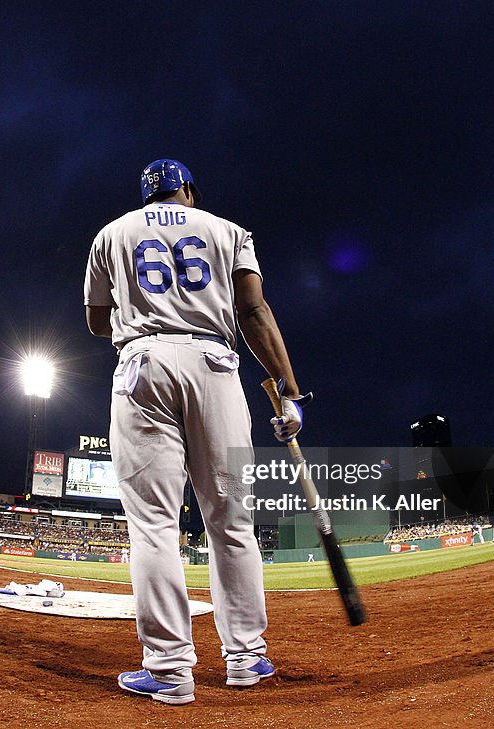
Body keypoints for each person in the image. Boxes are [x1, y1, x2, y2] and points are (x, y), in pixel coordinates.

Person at [84, 159, 307, 705]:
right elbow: (254, 310)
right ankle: (247, 657)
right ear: (188, 191)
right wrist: (289, 391)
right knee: (232, 520)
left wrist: (142, 316)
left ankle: (168, 670)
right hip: (216, 366)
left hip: (143, 365)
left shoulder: (111, 233)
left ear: (144, 198)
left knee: (154, 526)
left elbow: (95, 320)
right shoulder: (227, 230)